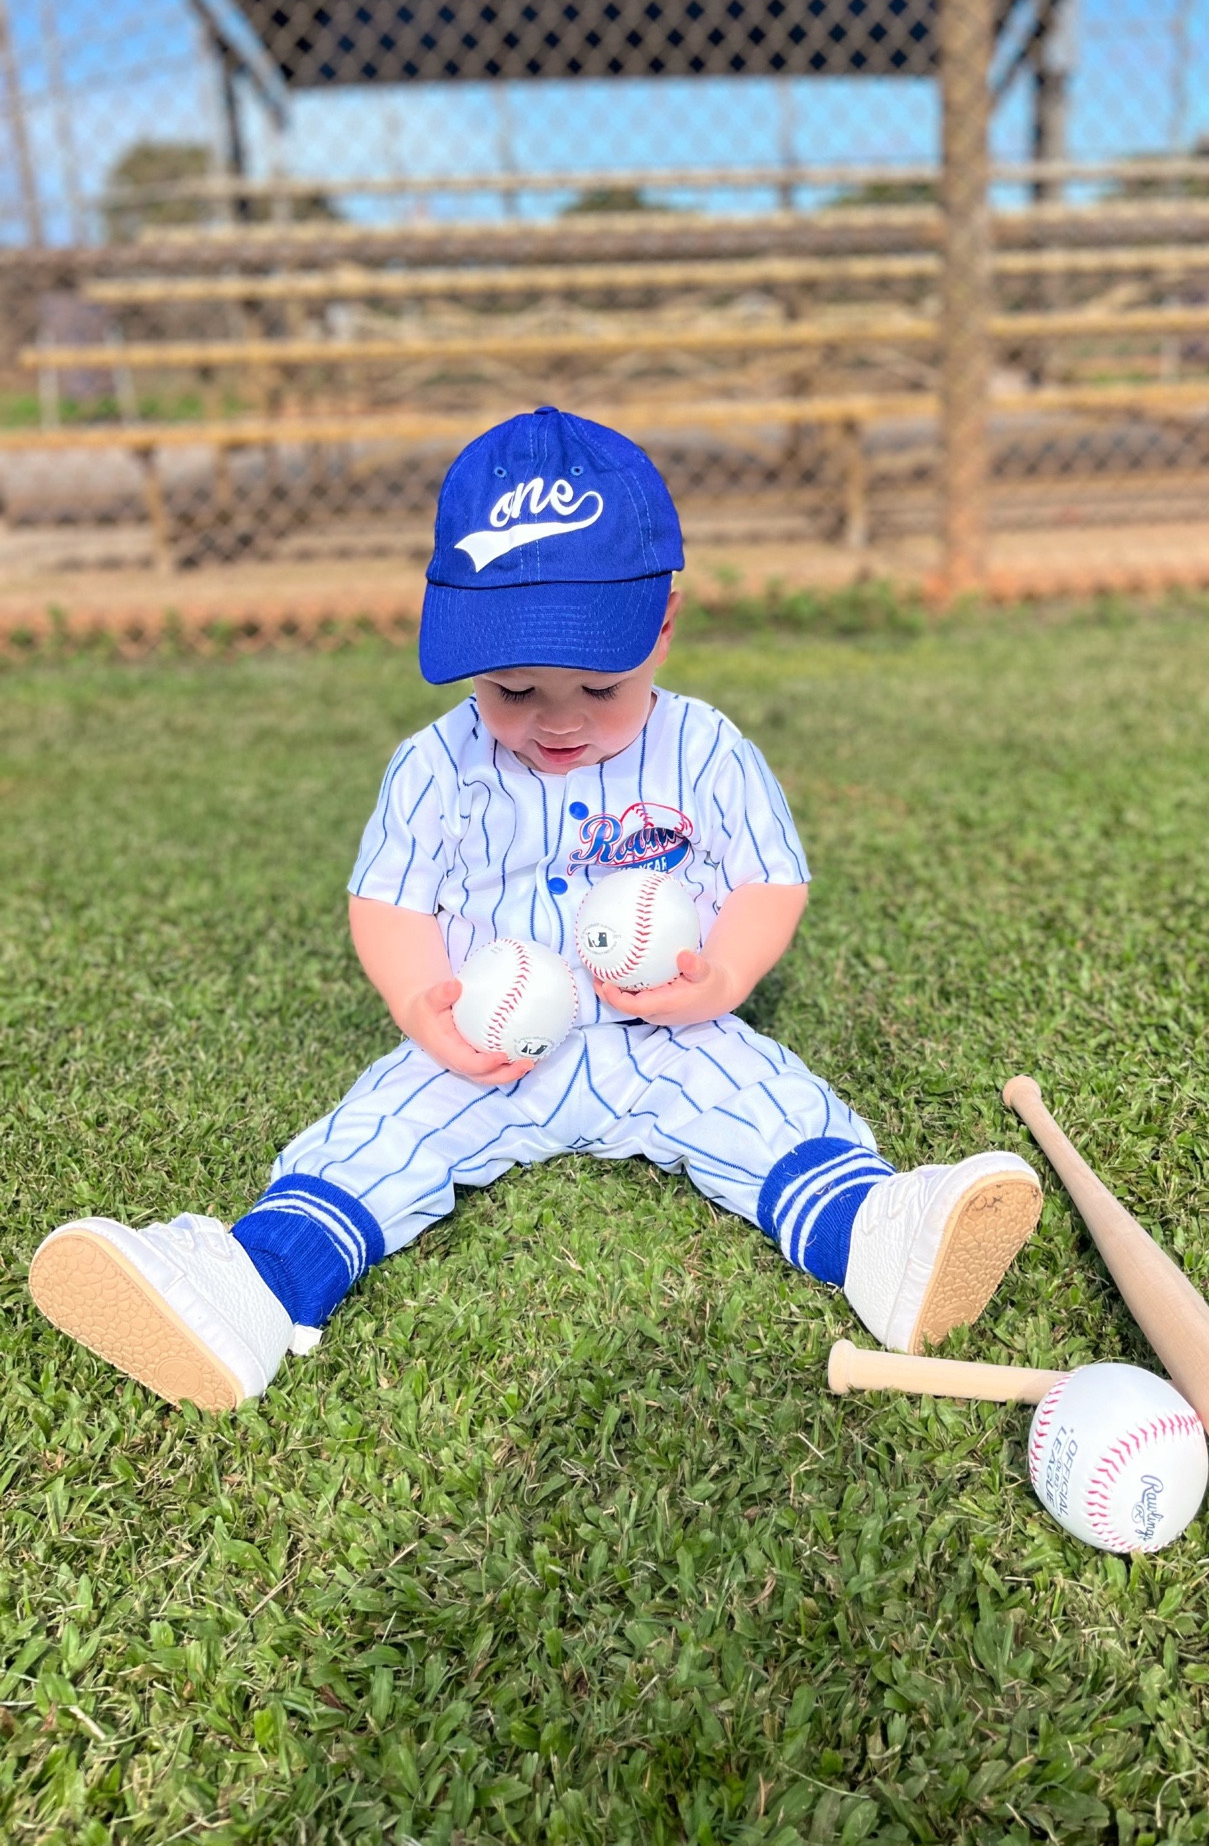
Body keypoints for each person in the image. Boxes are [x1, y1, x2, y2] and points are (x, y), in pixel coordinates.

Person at [28, 408, 1042, 1411]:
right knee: (379, 1133)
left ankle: (877, 1234)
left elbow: (771, 876)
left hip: (660, 1027)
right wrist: (420, 999)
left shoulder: (708, 748)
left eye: (600, 685)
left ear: (665, 625)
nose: (557, 720)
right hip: (484, 1042)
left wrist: (722, 978)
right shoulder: (435, 764)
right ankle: (249, 1287)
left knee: (763, 1102)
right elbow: (387, 899)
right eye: (512, 688)